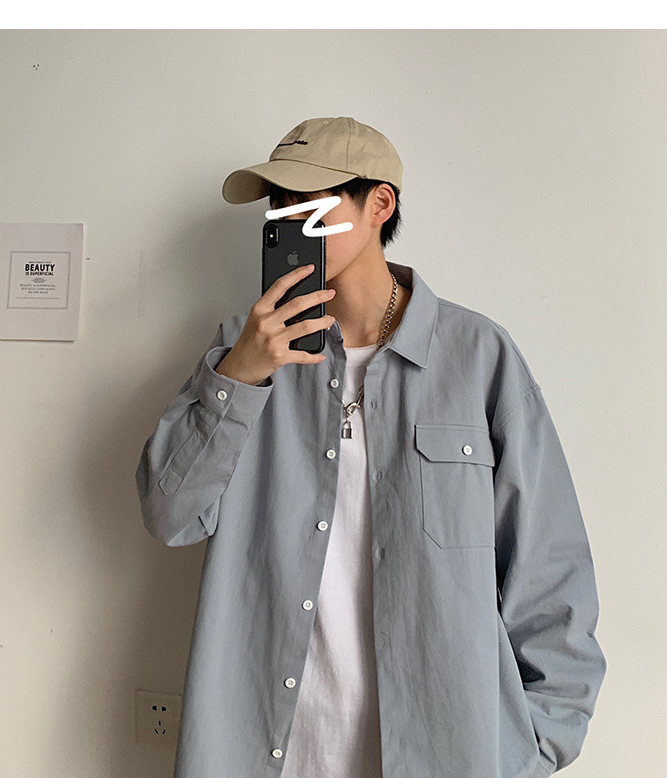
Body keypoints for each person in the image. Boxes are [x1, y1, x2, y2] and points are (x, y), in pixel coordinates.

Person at [135, 116, 606, 778]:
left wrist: (533, 744)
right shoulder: (242, 351)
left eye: (309, 203)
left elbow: (549, 566)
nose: (289, 221)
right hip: (266, 749)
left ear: (379, 204)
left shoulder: (477, 357)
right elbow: (169, 514)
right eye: (280, 205)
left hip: (442, 753)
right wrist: (239, 376)